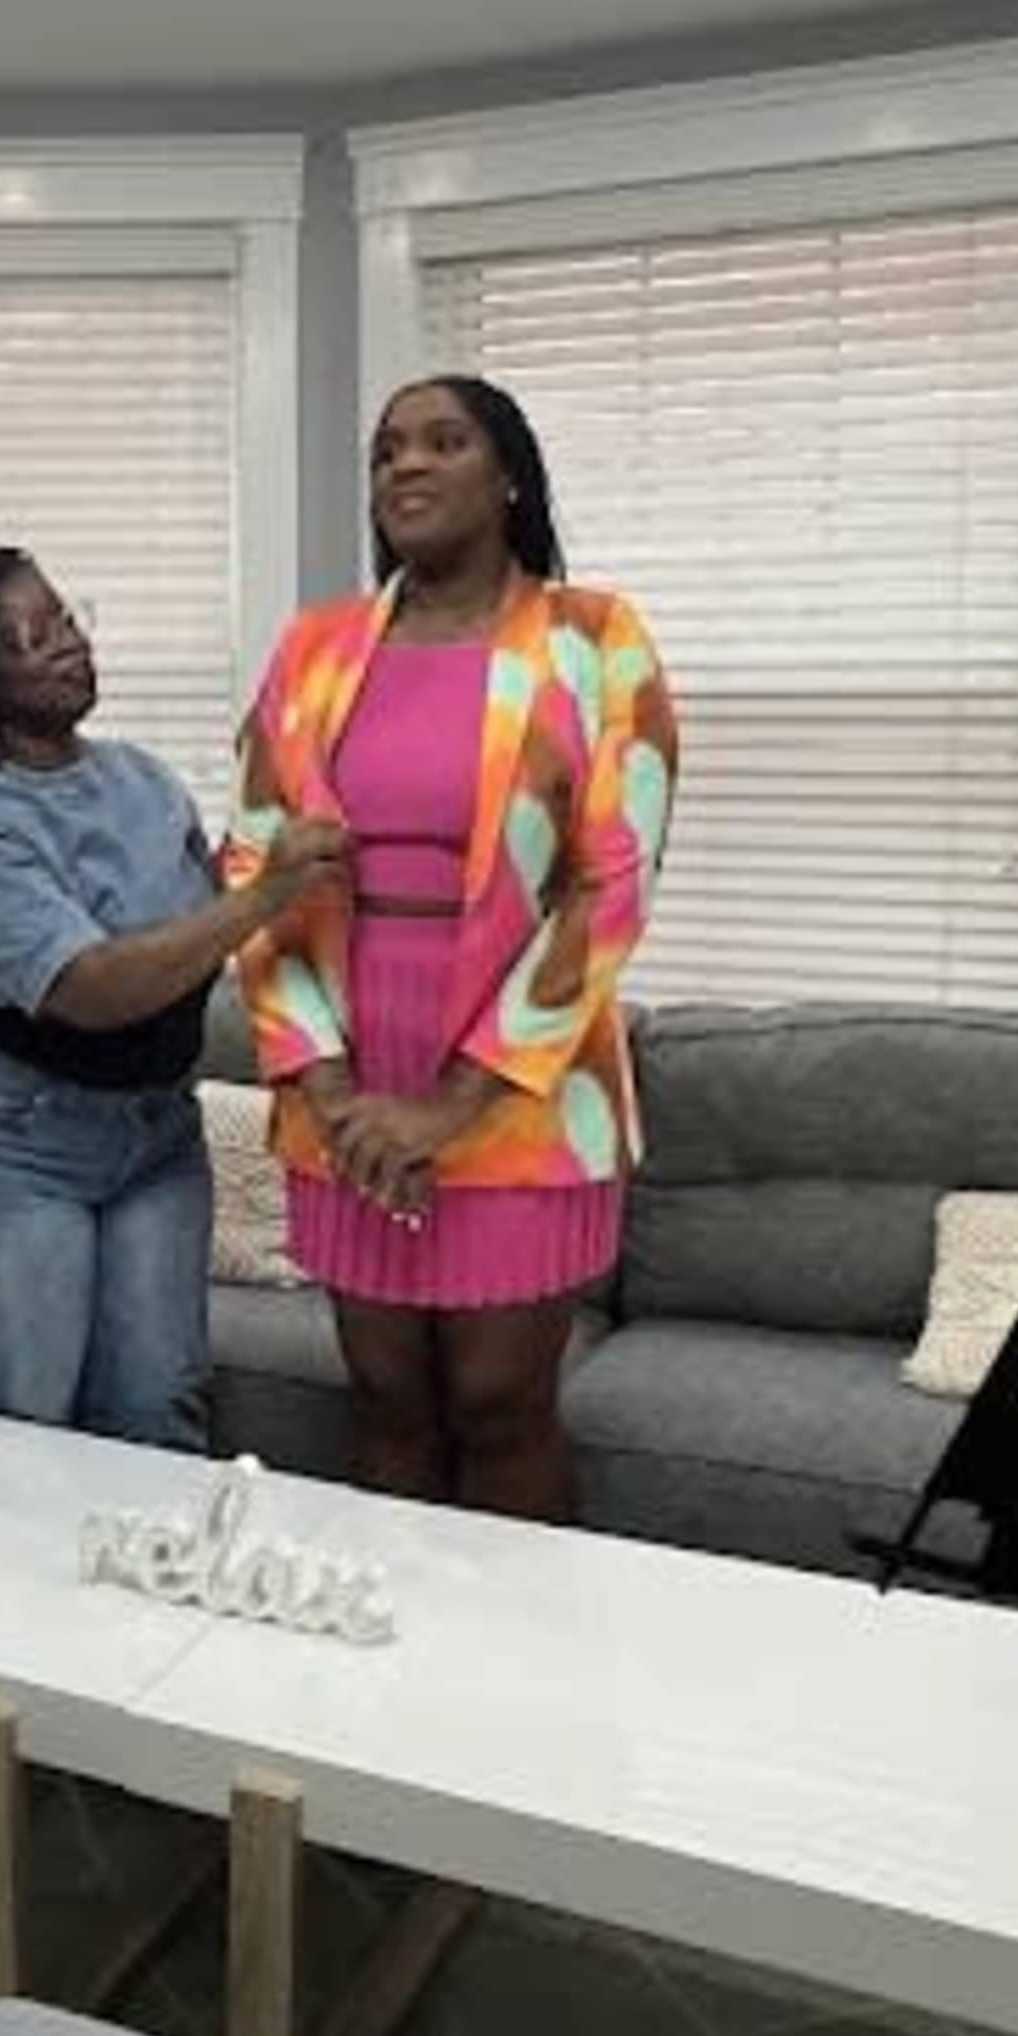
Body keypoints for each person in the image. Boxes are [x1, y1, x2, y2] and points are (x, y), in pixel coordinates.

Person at [223, 378, 673, 1523]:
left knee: (499, 1406)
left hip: (526, 1082)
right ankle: (388, 1680)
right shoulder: (315, 649)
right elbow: (254, 870)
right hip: (345, 1083)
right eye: (386, 453)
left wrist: (451, 1105)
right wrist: (329, 1091)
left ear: (507, 472)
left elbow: (610, 884)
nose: (406, 468)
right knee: (383, 1403)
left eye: (442, 442)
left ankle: (514, 1680)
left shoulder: (598, 640)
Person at [0, 548, 349, 1446]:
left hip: (155, 1136)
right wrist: (264, 894)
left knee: (159, 1409)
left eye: (65, 620)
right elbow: (95, 987)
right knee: (29, 1417)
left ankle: (141, 1587)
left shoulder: (144, 781)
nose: (68, 645)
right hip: (22, 1145)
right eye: (31, 640)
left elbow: (212, 922)